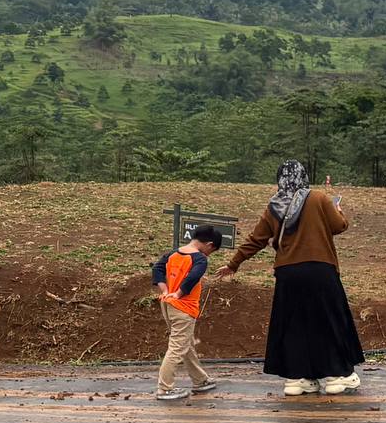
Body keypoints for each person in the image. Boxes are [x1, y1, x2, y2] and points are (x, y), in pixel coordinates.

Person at [218, 159, 364, 396]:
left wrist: (233, 264)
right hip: (319, 269)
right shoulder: (318, 198)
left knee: (294, 324)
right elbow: (338, 226)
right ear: (303, 176)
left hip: (287, 273)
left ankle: (297, 379)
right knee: (329, 320)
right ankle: (336, 376)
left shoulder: (274, 205)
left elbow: (256, 239)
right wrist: (338, 211)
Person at [150, 223, 224, 402]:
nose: (209, 254)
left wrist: (165, 290)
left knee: (186, 343)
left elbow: (157, 269)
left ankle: (200, 380)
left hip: (168, 305)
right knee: (177, 347)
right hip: (184, 307)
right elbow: (193, 277)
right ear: (209, 244)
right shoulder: (199, 259)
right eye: (212, 250)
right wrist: (180, 293)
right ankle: (164, 388)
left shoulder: (174, 254)